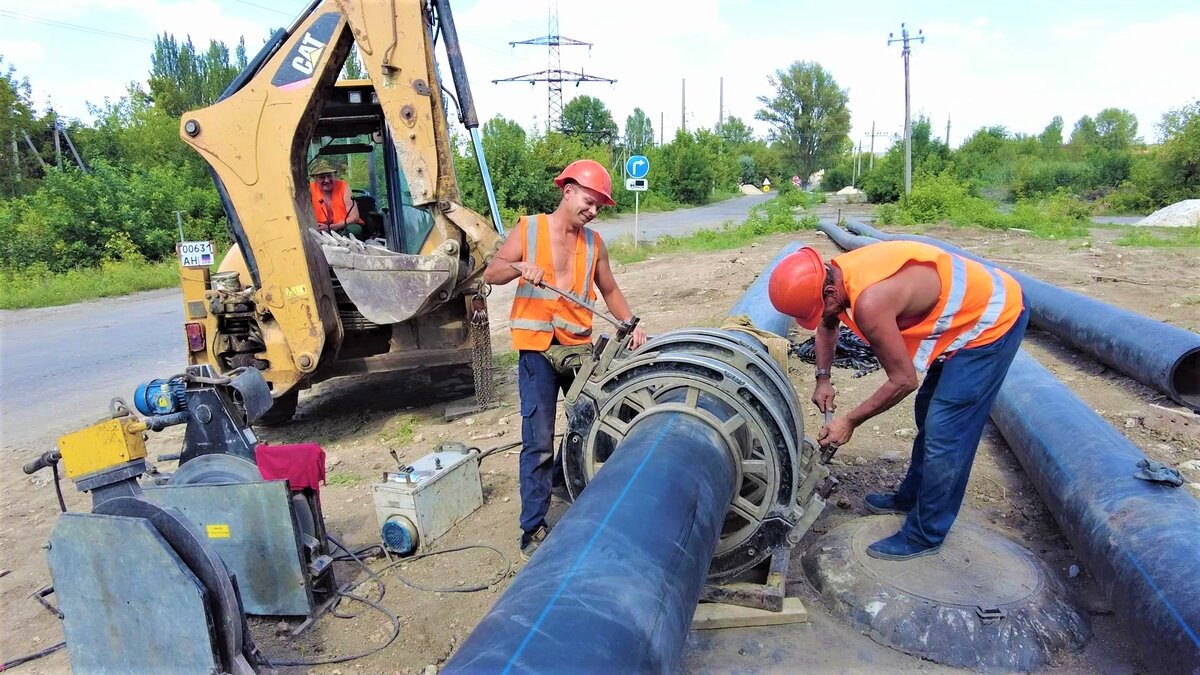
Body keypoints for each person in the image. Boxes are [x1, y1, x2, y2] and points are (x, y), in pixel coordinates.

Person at [769, 241, 1028, 560]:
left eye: (818, 311)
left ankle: (926, 533)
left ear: (829, 294)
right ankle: (910, 497)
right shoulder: (836, 275)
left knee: (947, 429)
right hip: (967, 313)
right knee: (927, 412)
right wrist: (823, 378)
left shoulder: (870, 302)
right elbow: (827, 325)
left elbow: (904, 380)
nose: (823, 318)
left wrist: (849, 422)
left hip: (994, 319)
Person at [483, 159, 648, 560]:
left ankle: (561, 479)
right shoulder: (530, 229)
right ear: (567, 190)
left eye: (598, 207)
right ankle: (533, 526)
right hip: (537, 348)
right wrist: (520, 267)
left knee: (588, 422)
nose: (592, 211)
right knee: (537, 440)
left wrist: (632, 324)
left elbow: (610, 291)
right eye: (589, 202)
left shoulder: (594, 244)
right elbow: (492, 273)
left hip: (576, 347)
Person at [308, 159, 364, 237]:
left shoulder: (343, 186)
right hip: (320, 230)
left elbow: (354, 218)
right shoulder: (309, 189)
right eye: (322, 177)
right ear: (315, 178)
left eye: (329, 176)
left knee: (354, 229)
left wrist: (330, 227)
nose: (327, 180)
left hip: (343, 227)